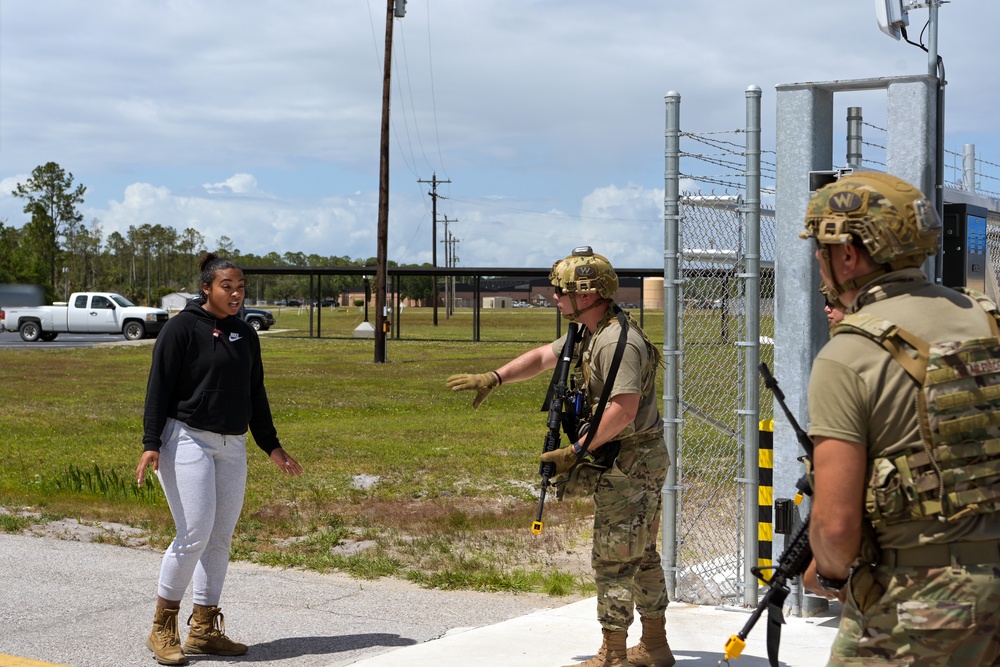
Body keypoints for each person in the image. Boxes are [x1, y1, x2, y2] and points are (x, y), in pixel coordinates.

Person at [800, 171, 1000, 665]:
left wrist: (828, 574)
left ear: (848, 254)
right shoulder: (987, 317)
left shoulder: (848, 353)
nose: (817, 263)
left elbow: (836, 524)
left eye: (820, 249)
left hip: (922, 602)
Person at [446, 247, 674, 667]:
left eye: (561, 290)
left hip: (630, 460)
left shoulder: (615, 343)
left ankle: (613, 655)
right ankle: (655, 647)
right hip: (627, 457)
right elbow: (540, 358)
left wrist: (575, 451)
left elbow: (622, 410)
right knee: (640, 552)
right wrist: (494, 377)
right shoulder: (588, 331)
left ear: (587, 294)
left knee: (614, 558)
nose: (555, 296)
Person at [136, 253, 303, 666]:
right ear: (206, 288)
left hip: (233, 445)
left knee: (220, 537)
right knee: (194, 532)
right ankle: (162, 626)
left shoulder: (246, 334)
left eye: (240, 286)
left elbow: (255, 394)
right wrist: (151, 442)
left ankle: (204, 629)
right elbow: (158, 388)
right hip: (187, 438)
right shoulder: (181, 329)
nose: (235, 293)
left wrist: (271, 444)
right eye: (227, 286)